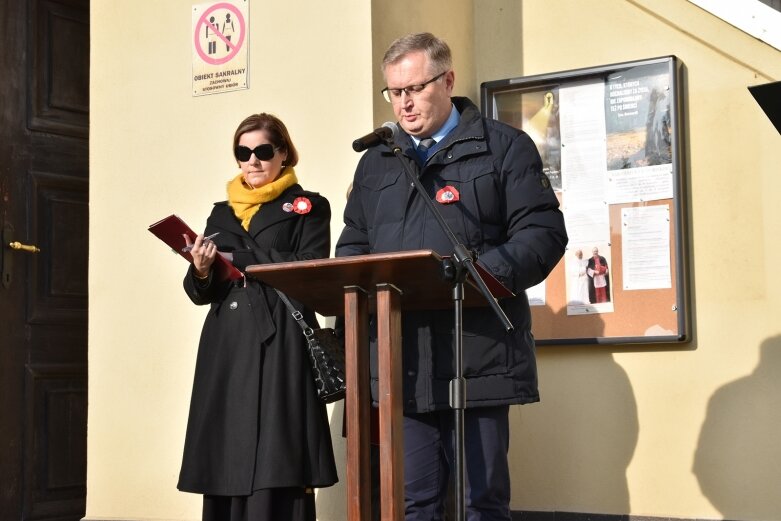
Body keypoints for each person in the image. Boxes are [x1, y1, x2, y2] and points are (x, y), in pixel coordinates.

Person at [335, 33, 568, 521]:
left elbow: (541, 234)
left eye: (415, 88)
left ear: (448, 80)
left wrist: (475, 279)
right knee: (414, 503)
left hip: (476, 354)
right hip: (404, 363)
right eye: (394, 92)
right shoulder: (377, 162)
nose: (405, 102)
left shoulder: (503, 147)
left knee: (478, 503)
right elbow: (353, 245)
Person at [177, 113, 338, 521]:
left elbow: (310, 264)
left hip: (281, 339)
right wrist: (200, 269)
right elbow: (203, 292)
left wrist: (241, 259)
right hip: (227, 344)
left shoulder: (309, 206)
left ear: (283, 153)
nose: (252, 160)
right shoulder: (220, 213)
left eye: (263, 151)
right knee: (226, 451)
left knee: (277, 452)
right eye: (242, 152)